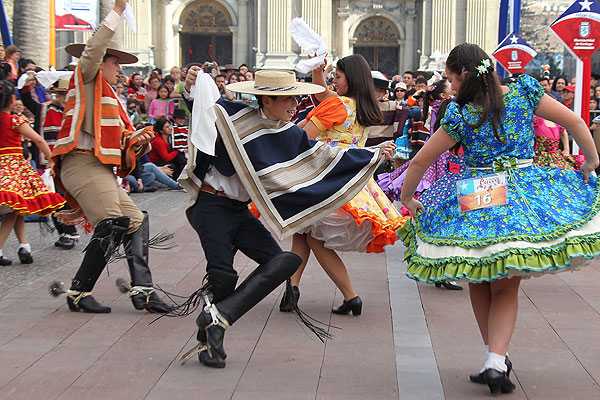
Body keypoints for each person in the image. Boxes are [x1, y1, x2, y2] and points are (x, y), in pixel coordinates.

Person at [399, 43, 600, 395]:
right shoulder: (523, 94)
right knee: (506, 282)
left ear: (462, 74)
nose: (450, 86)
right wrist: (591, 159)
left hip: (478, 190)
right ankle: (495, 358)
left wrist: (406, 196)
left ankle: (494, 357)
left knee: (479, 273)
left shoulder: (460, 114)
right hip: (522, 189)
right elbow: (574, 120)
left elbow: (420, 160)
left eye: (450, 79)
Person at [177, 67, 393, 368]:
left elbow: (321, 154)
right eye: (287, 101)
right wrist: (191, 88)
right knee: (223, 277)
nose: (294, 106)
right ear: (265, 100)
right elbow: (201, 110)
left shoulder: (286, 132)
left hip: (237, 212)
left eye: (296, 100)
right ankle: (213, 337)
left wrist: (372, 155)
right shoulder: (232, 116)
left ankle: (218, 318)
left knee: (284, 262)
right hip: (211, 207)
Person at [49, 0, 172, 314]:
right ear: (101, 61)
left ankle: (143, 289)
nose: (120, 69)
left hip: (98, 168)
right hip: (81, 163)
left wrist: (140, 141)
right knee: (114, 223)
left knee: (135, 220)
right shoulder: (86, 77)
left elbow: (123, 149)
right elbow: (94, 48)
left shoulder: (111, 99)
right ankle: (78, 292)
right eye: (116, 62)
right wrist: (117, 10)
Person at [280, 55, 407, 315]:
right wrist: (318, 73)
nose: (332, 81)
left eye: (337, 77)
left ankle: (351, 295)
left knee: (315, 238)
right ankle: (291, 288)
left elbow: (303, 140)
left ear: (350, 78)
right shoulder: (361, 105)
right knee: (303, 233)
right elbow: (323, 95)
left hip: (324, 179)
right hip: (348, 180)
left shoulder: (337, 104)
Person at [0, 80, 66, 265]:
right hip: (14, 168)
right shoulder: (15, 120)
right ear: (12, 99)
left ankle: (25, 246)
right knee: (13, 210)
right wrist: (51, 158)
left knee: (18, 207)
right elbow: (38, 139)